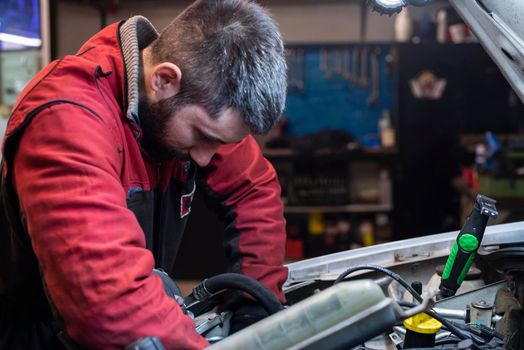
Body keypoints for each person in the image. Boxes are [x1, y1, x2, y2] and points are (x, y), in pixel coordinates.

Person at [0, 0, 288, 348]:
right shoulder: (67, 119)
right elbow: (108, 301)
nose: (205, 158)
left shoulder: (193, 102)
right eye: (203, 136)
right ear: (164, 80)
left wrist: (254, 312)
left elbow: (253, 189)